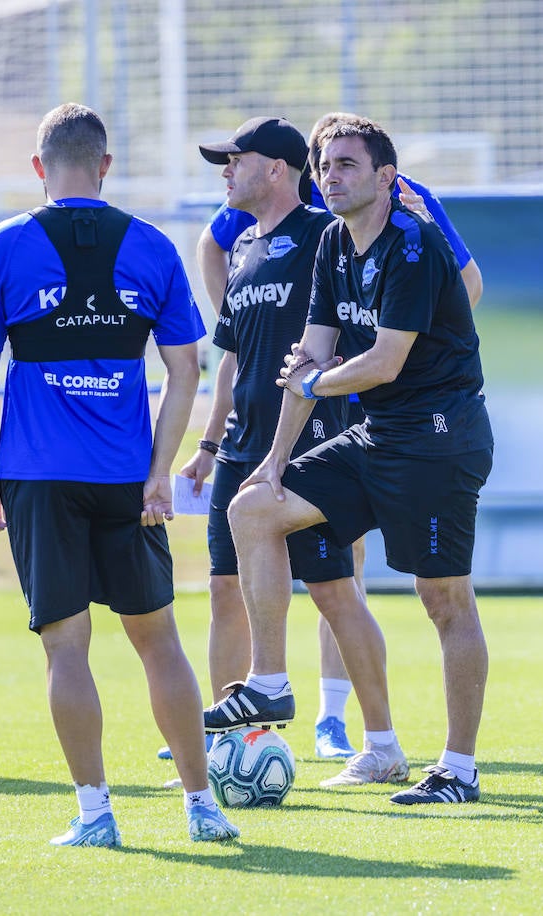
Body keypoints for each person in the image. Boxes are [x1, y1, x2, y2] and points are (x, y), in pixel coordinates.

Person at [0, 103, 238, 846]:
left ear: (39, 166)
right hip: (126, 480)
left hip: (37, 478)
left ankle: (95, 814)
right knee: (160, 642)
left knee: (65, 649)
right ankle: (203, 808)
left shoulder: (0, 246)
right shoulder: (151, 245)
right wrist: (160, 470)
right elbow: (186, 369)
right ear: (104, 165)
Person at [202, 115, 493, 806]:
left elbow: (383, 363)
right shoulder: (332, 242)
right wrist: (273, 461)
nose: (331, 176)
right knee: (253, 507)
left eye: (347, 165)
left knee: (443, 599)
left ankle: (459, 768)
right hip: (377, 435)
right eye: (324, 165)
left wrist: (313, 379)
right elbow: (311, 353)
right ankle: (269, 682)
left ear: (387, 179)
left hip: (438, 438)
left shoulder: (414, 245)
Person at [175, 116, 406, 788]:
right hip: (244, 446)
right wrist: (210, 443)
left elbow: (350, 328)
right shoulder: (244, 247)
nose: (225, 171)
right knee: (224, 592)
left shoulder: (322, 236)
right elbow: (233, 358)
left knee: (335, 593)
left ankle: (382, 745)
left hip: (308, 441)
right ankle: (231, 745)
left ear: (276, 168)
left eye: (234, 160)